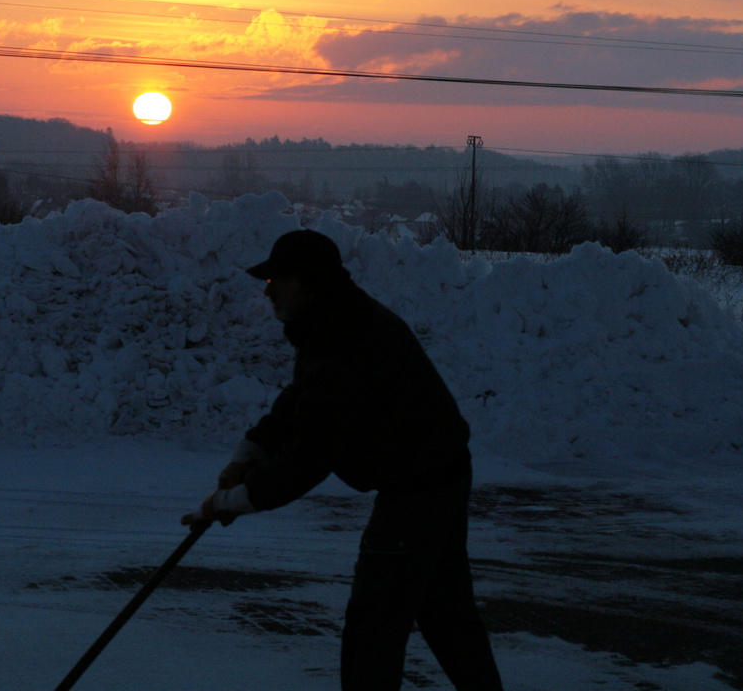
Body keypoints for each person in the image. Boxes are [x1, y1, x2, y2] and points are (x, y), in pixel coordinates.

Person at [184, 229, 504, 691]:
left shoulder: (347, 344)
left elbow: (308, 458)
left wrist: (230, 502)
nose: (268, 290)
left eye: (278, 280)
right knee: (443, 612)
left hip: (418, 487)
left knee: (374, 623)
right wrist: (248, 453)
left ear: (307, 282)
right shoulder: (335, 322)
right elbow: (301, 399)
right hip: (437, 473)